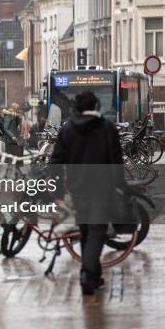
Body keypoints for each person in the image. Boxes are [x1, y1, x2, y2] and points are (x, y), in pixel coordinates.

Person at [50, 91, 125, 295]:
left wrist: (56, 191)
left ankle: (93, 275)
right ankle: (87, 275)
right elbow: (116, 161)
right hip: (102, 187)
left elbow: (55, 162)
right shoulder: (107, 127)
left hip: (78, 188)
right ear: (96, 105)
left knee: (86, 231)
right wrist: (122, 186)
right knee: (96, 232)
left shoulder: (67, 129)